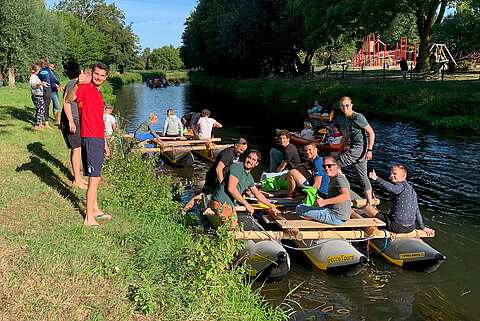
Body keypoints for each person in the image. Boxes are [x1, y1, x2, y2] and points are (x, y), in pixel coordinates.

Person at [208, 150, 281, 229]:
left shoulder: (249, 177)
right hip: (220, 202)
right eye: (249, 157)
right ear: (245, 158)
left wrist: (271, 206)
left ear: (256, 164)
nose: (250, 161)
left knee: (235, 227)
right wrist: (247, 204)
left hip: (229, 204)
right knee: (231, 229)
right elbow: (231, 188)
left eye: (253, 160)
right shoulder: (238, 167)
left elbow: (258, 194)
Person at [77, 63, 110, 227]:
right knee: (94, 178)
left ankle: (95, 209)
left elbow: (100, 120)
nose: (99, 77)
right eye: (96, 74)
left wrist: (105, 142)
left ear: (106, 77)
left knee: (96, 176)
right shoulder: (84, 88)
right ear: (93, 74)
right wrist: (77, 83)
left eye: (102, 75)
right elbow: (69, 99)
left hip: (97, 138)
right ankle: (89, 218)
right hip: (90, 137)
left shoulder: (98, 94)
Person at [367, 165, 435, 235]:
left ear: (404, 176)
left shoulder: (400, 186)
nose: (391, 175)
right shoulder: (412, 191)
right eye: (391, 173)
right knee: (384, 213)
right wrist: (423, 227)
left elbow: (393, 189)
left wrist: (376, 178)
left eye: (394, 174)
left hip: (397, 227)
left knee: (367, 208)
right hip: (411, 227)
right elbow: (417, 210)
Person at [337, 96, 375, 205]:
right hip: (356, 150)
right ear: (340, 107)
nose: (345, 108)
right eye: (343, 106)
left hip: (359, 149)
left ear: (351, 105)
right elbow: (345, 138)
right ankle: (370, 203)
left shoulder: (358, 117)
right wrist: (339, 152)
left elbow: (371, 133)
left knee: (334, 166)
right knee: (363, 177)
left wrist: (370, 150)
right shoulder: (347, 119)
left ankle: (342, 192)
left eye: (347, 105)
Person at [295, 156, 351, 225]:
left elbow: (346, 196)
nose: (326, 168)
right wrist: (320, 197)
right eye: (324, 166)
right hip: (340, 216)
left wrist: (324, 202)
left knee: (299, 208)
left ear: (336, 166)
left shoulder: (339, 179)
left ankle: (314, 218)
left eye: (329, 165)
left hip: (335, 217)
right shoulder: (334, 178)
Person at [61, 68, 93, 190]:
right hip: (72, 120)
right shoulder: (73, 83)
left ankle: (78, 177)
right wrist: (70, 121)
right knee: (77, 149)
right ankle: (76, 180)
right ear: (86, 76)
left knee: (79, 149)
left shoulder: (83, 84)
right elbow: (66, 102)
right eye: (90, 80)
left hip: (79, 119)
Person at [37, 59, 53, 129]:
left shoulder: (38, 72)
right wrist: (58, 83)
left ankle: (40, 122)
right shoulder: (47, 71)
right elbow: (53, 79)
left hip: (40, 90)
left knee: (40, 107)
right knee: (46, 106)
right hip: (47, 90)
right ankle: (45, 123)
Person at [29, 63, 44, 131]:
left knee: (40, 109)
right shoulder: (33, 76)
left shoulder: (36, 76)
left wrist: (42, 84)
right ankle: (37, 125)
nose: (39, 71)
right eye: (38, 70)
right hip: (37, 96)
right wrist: (40, 83)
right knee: (40, 110)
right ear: (35, 70)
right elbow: (33, 85)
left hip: (39, 95)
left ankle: (40, 123)